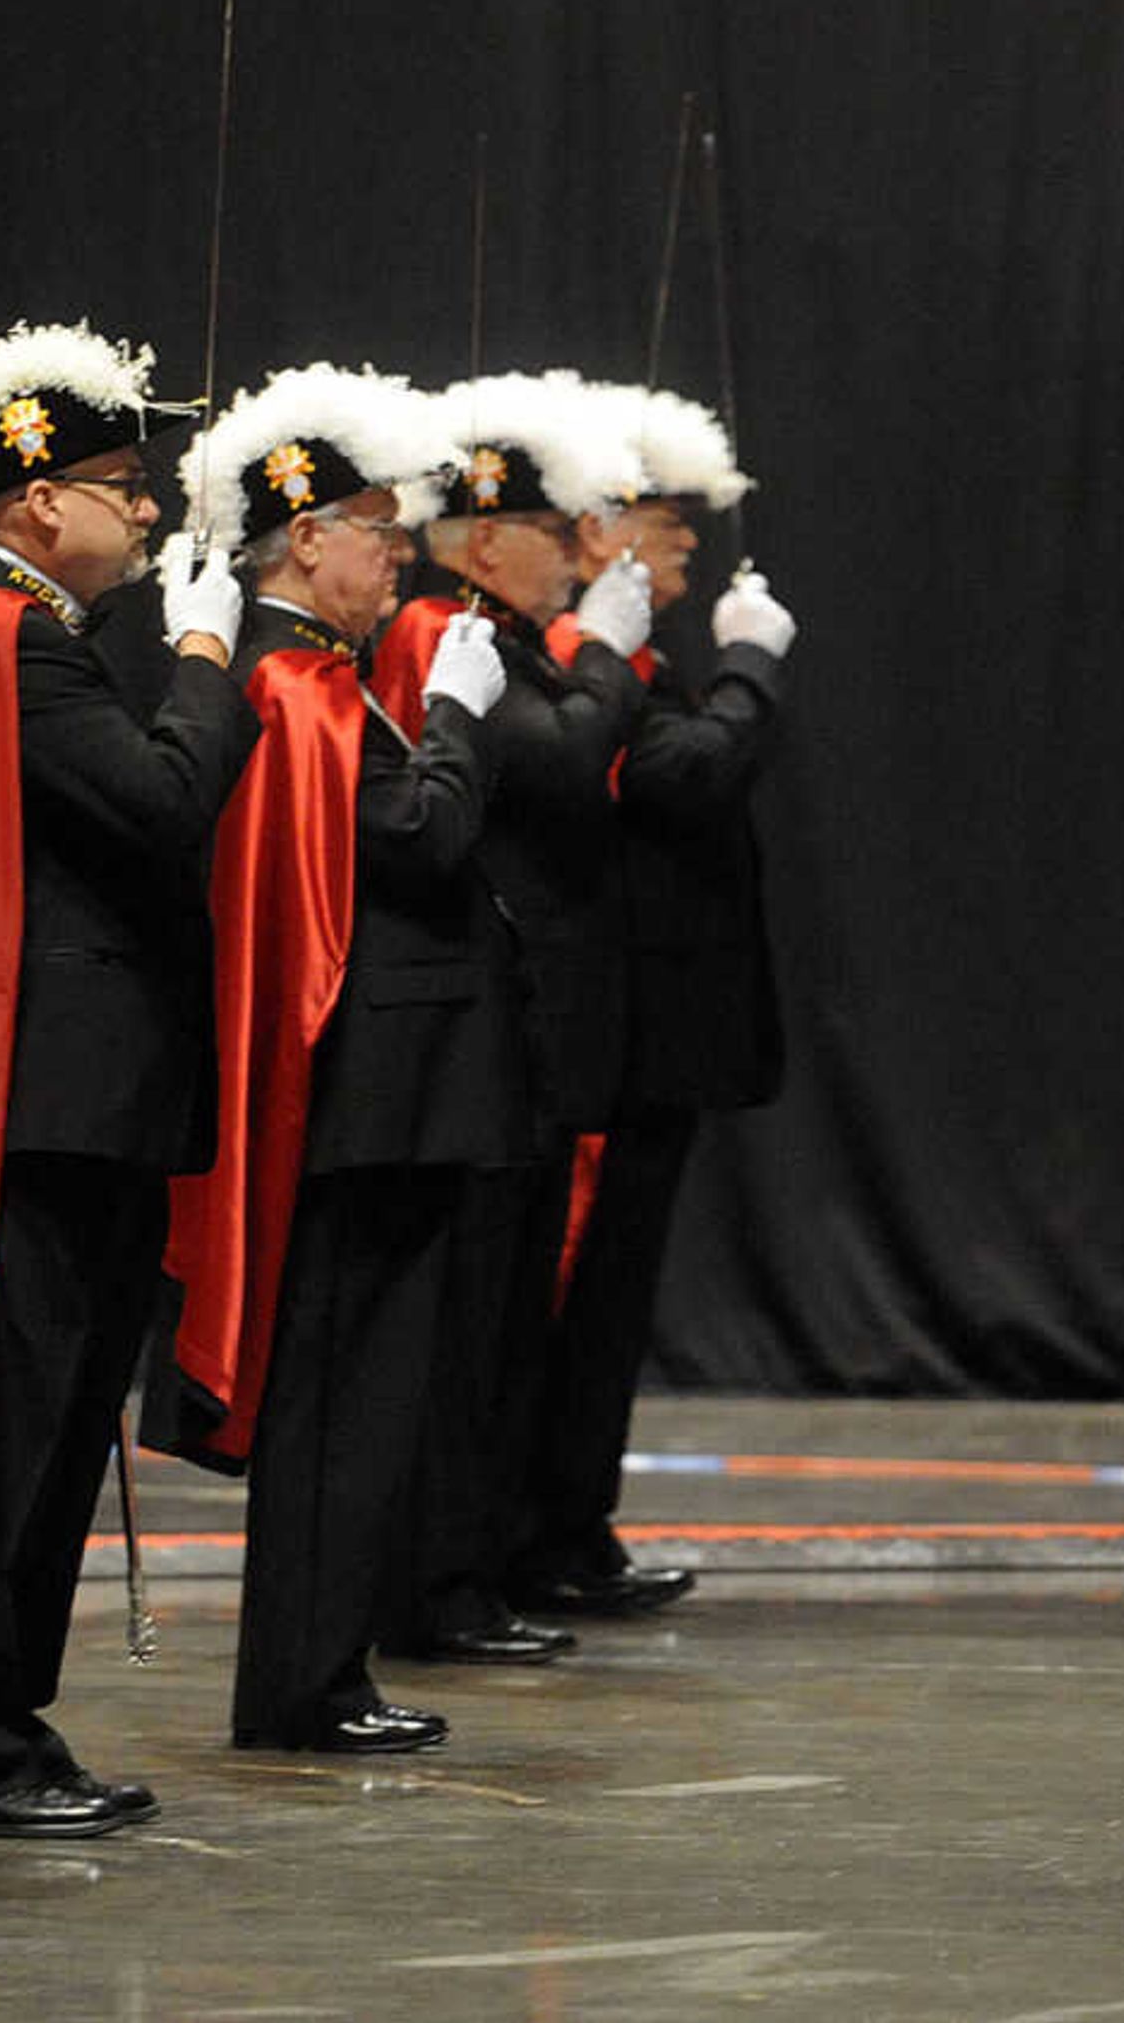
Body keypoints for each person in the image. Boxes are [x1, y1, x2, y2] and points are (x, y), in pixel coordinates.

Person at [0, 324, 254, 1840]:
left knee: (52, 1429)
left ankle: (0, 1718)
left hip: (79, 1103)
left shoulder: (28, 638)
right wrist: (212, 657)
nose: (145, 512)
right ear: (28, 503)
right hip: (51, 1107)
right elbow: (161, 801)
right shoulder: (9, 640)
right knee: (18, 1434)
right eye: (118, 484)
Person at [155, 366, 512, 1754]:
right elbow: (419, 839)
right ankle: (306, 1675)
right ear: (304, 535)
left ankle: (323, 1663)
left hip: (386, 1100)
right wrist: (463, 720)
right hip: (366, 1101)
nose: (399, 550)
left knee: (367, 1393)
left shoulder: (328, 683)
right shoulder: (301, 687)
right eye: (376, 522)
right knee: (342, 1398)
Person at [364, 372, 650, 1663]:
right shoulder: (444, 632)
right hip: (478, 1031)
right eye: (554, 528)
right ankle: (437, 1574)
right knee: (466, 1326)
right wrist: (604, 647)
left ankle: (477, 1560)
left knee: (504, 1323)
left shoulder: (506, 636)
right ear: (490, 538)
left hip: (528, 1037)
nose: (576, 549)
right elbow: (560, 765)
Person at [507, 383, 794, 1623]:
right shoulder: (586, 652)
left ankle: (572, 1520)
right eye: (667, 523)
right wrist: (751, 671)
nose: (686, 543)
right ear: (603, 529)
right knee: (566, 1300)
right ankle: (532, 1527)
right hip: (597, 1046)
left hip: (650, 1044)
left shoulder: (625, 656)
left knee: (610, 1303)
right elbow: (680, 777)